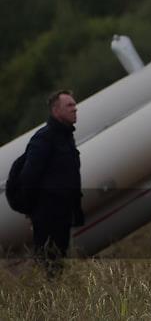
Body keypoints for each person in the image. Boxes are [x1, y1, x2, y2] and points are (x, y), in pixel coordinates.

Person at [19, 89, 84, 276]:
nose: (75, 108)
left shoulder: (66, 138)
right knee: (49, 266)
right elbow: (28, 176)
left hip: (62, 215)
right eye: (69, 105)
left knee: (58, 264)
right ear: (56, 111)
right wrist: (32, 211)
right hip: (47, 216)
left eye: (74, 104)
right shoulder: (44, 139)